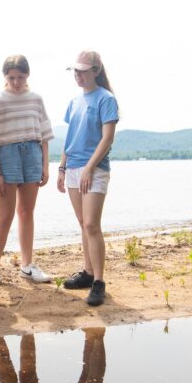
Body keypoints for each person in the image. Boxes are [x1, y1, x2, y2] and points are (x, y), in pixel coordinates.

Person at [0, 55, 54, 287]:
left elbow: (44, 135)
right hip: (7, 156)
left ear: (27, 76)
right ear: (5, 77)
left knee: (26, 213)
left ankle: (27, 265)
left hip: (32, 154)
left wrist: (45, 165)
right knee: (4, 215)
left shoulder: (36, 100)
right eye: (11, 77)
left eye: (20, 77)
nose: (15, 82)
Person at [57, 51, 119, 306]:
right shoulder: (74, 102)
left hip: (94, 169)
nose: (78, 75)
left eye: (83, 71)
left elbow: (107, 138)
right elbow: (69, 138)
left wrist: (89, 167)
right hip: (72, 168)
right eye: (75, 71)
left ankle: (99, 282)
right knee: (83, 222)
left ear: (95, 70)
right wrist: (61, 168)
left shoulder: (106, 99)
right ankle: (88, 271)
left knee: (92, 224)